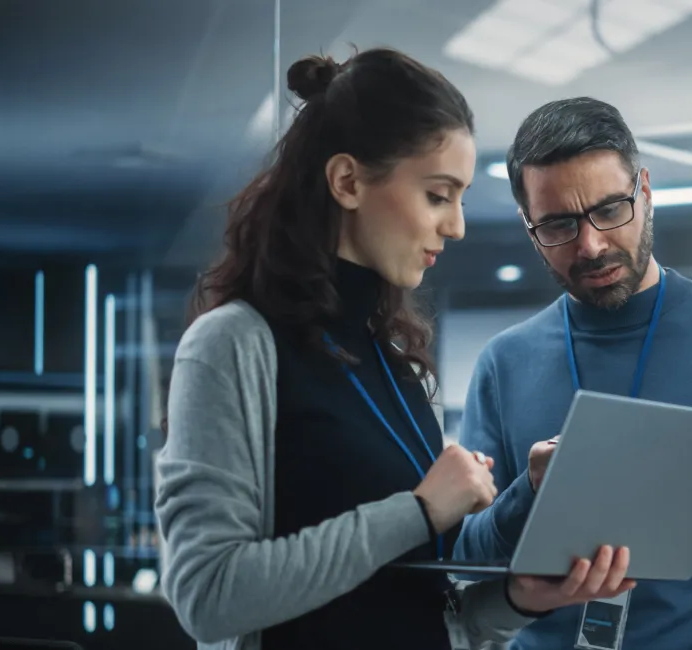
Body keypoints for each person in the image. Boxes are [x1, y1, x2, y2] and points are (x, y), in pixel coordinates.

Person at [154, 50, 633, 650]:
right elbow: (208, 596)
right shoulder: (232, 346)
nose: (456, 225)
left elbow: (424, 618)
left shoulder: (399, 369)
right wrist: (419, 512)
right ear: (348, 182)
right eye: (438, 195)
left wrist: (519, 599)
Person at [453, 97, 692, 649]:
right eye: (558, 225)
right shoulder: (504, 364)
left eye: (611, 210)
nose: (591, 245)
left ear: (646, 191)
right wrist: (531, 492)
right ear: (528, 224)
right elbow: (470, 557)